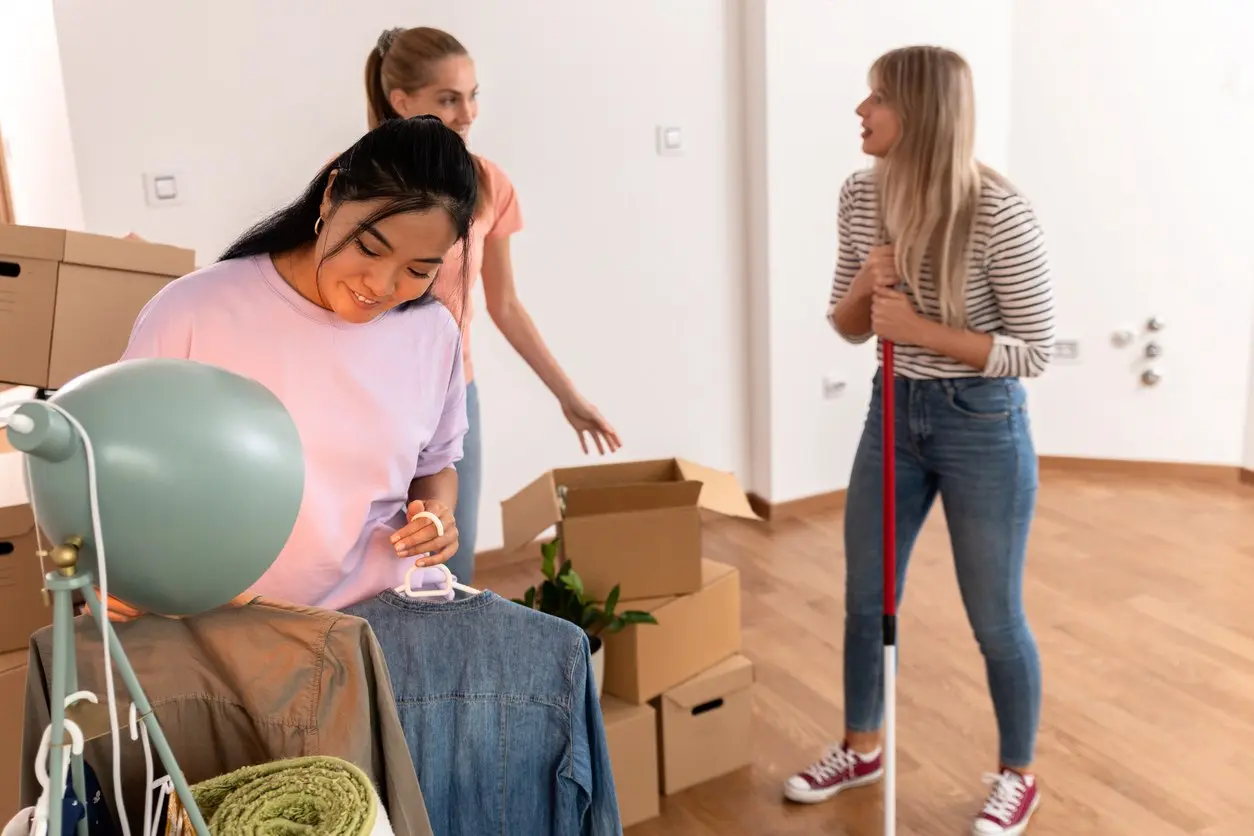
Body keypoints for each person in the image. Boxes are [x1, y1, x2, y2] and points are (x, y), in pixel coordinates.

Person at [783, 46, 1054, 836]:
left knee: (995, 616)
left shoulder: (999, 211)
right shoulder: (861, 194)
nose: (860, 111)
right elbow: (843, 324)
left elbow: (1032, 351)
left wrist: (923, 329)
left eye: (877, 98)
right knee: (868, 599)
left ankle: (1018, 774)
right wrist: (868, 291)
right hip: (892, 413)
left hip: (983, 424)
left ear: (921, 113)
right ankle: (860, 747)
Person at [105, 115, 477, 619]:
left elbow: (434, 466)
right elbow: (113, 466)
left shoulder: (432, 334)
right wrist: (120, 573)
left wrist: (437, 514)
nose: (383, 286)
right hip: (220, 620)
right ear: (331, 197)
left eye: (418, 270)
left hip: (377, 620)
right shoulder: (197, 310)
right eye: (369, 247)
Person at [365, 26, 621, 584]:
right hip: (370, 395)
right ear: (401, 101)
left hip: (455, 397)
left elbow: (505, 304)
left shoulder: (487, 184)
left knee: (449, 566)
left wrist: (568, 396)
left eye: (473, 94)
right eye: (449, 98)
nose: (469, 112)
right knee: (372, 567)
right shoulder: (359, 177)